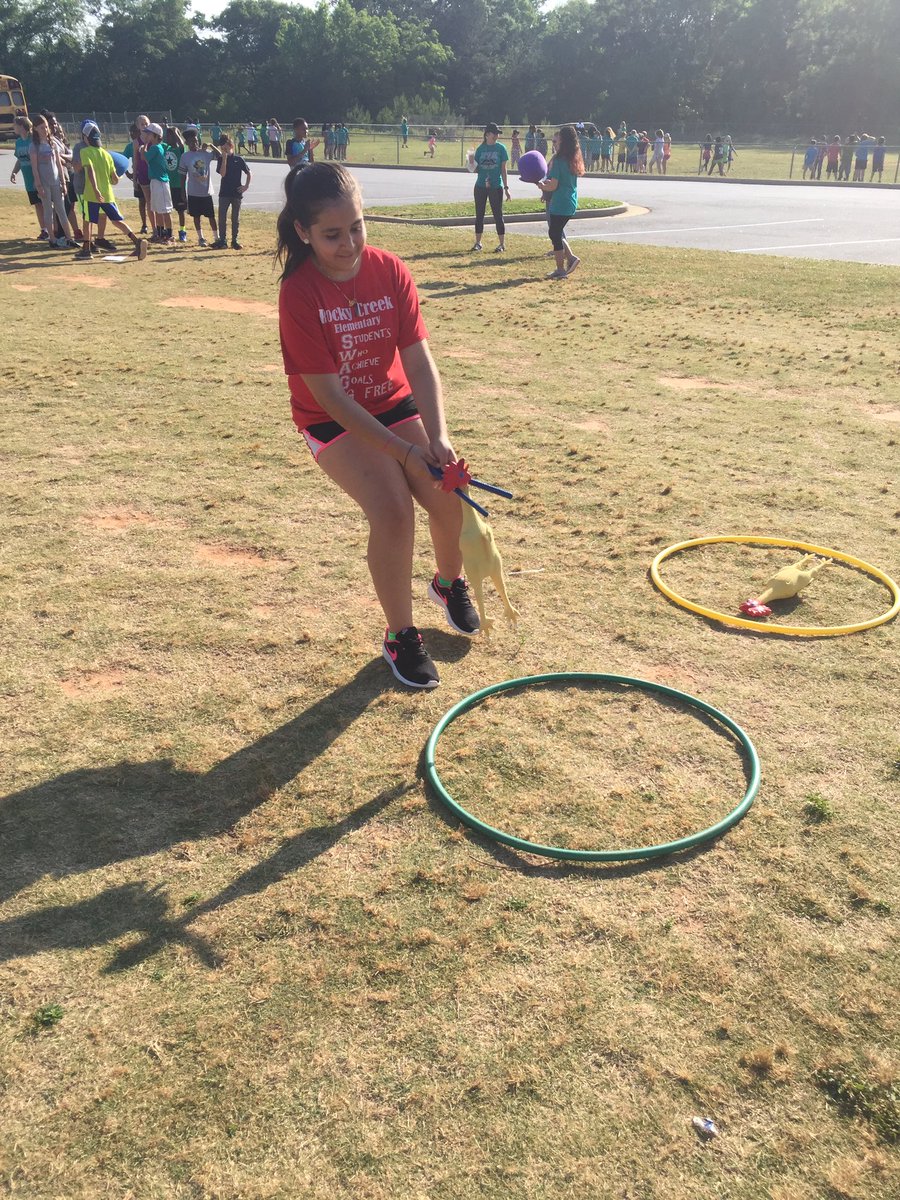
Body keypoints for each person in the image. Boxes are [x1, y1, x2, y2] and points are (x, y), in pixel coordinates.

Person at [276, 162, 479, 689]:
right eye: (332, 235)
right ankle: (401, 635)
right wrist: (403, 453)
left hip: (393, 403)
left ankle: (448, 582)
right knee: (393, 513)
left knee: (446, 495)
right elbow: (331, 397)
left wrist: (437, 437)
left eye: (358, 227)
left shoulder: (390, 270)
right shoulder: (299, 293)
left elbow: (418, 362)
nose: (349, 245)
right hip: (331, 420)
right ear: (303, 232)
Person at [78, 124, 148, 261]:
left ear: (86, 138)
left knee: (88, 221)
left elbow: (90, 170)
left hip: (91, 194)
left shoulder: (85, 152)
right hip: (108, 195)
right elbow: (114, 179)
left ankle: (86, 249)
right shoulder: (106, 154)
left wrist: (96, 189)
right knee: (116, 220)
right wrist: (118, 176)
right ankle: (136, 241)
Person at [535, 124, 583, 280]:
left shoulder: (558, 160)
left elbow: (553, 185)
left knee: (554, 233)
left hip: (560, 203)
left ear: (564, 141)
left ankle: (561, 269)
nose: (555, 143)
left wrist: (542, 186)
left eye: (557, 140)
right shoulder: (573, 158)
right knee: (556, 232)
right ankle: (571, 259)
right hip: (570, 202)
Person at [29, 113, 76, 249]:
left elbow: (58, 164)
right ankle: (52, 239)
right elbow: (35, 168)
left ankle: (69, 238)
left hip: (55, 181)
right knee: (48, 211)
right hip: (44, 183)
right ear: (36, 129)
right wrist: (38, 185)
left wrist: (62, 182)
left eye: (46, 127)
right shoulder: (34, 146)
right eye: (42, 127)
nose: (45, 130)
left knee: (61, 210)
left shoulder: (52, 143)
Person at [470, 122, 510, 254]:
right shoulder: (480, 149)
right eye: (495, 133)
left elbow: (503, 170)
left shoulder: (501, 149)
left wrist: (506, 187)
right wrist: (470, 163)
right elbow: (475, 169)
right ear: (487, 134)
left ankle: (502, 244)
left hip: (495, 187)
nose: (497, 135)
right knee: (479, 214)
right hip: (481, 186)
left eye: (498, 133)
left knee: (498, 215)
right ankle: (478, 242)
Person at [179, 125, 220, 246]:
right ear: (187, 143)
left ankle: (216, 237)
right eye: (192, 141)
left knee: (211, 216)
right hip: (193, 192)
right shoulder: (185, 157)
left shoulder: (205, 154)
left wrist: (211, 146)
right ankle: (201, 237)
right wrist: (183, 192)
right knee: (196, 216)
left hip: (206, 192)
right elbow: (182, 176)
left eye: (196, 140)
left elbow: (219, 155)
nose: (195, 143)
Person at [11, 115, 46, 238]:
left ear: (21, 126)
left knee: (45, 204)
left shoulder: (33, 140)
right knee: (37, 204)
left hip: (39, 178)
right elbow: (20, 160)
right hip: (28, 179)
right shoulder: (18, 142)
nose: (13, 127)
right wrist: (14, 172)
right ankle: (44, 230)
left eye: (15, 125)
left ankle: (54, 229)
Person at [213, 134, 251, 249]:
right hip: (224, 192)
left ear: (230, 145)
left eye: (225, 145)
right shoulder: (220, 159)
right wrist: (224, 159)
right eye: (221, 147)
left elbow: (248, 173)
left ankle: (235, 240)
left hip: (236, 193)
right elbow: (222, 174)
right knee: (222, 217)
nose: (223, 148)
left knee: (235, 218)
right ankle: (222, 240)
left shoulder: (239, 159)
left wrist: (246, 186)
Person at [142, 122, 174, 242]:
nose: (147, 136)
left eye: (149, 134)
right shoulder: (155, 147)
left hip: (161, 182)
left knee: (165, 210)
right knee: (157, 209)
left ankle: (169, 234)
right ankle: (160, 233)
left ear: (155, 135)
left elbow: (144, 157)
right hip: (155, 181)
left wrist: (144, 147)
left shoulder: (155, 147)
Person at [164, 126, 188, 242]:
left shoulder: (179, 150)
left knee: (180, 210)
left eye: (170, 136)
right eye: (166, 136)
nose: (167, 138)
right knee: (167, 210)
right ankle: (168, 231)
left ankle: (182, 231)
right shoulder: (166, 149)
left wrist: (175, 132)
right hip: (168, 184)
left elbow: (182, 145)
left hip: (178, 185)